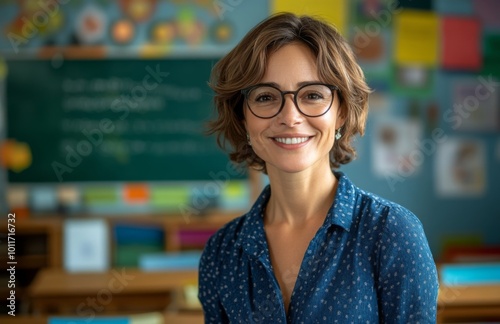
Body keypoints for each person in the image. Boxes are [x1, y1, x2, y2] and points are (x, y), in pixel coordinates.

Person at [198, 12, 438, 323]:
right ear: (242, 117)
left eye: (312, 95)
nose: (290, 116)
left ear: (341, 113)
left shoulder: (392, 233)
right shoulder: (222, 253)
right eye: (266, 97)